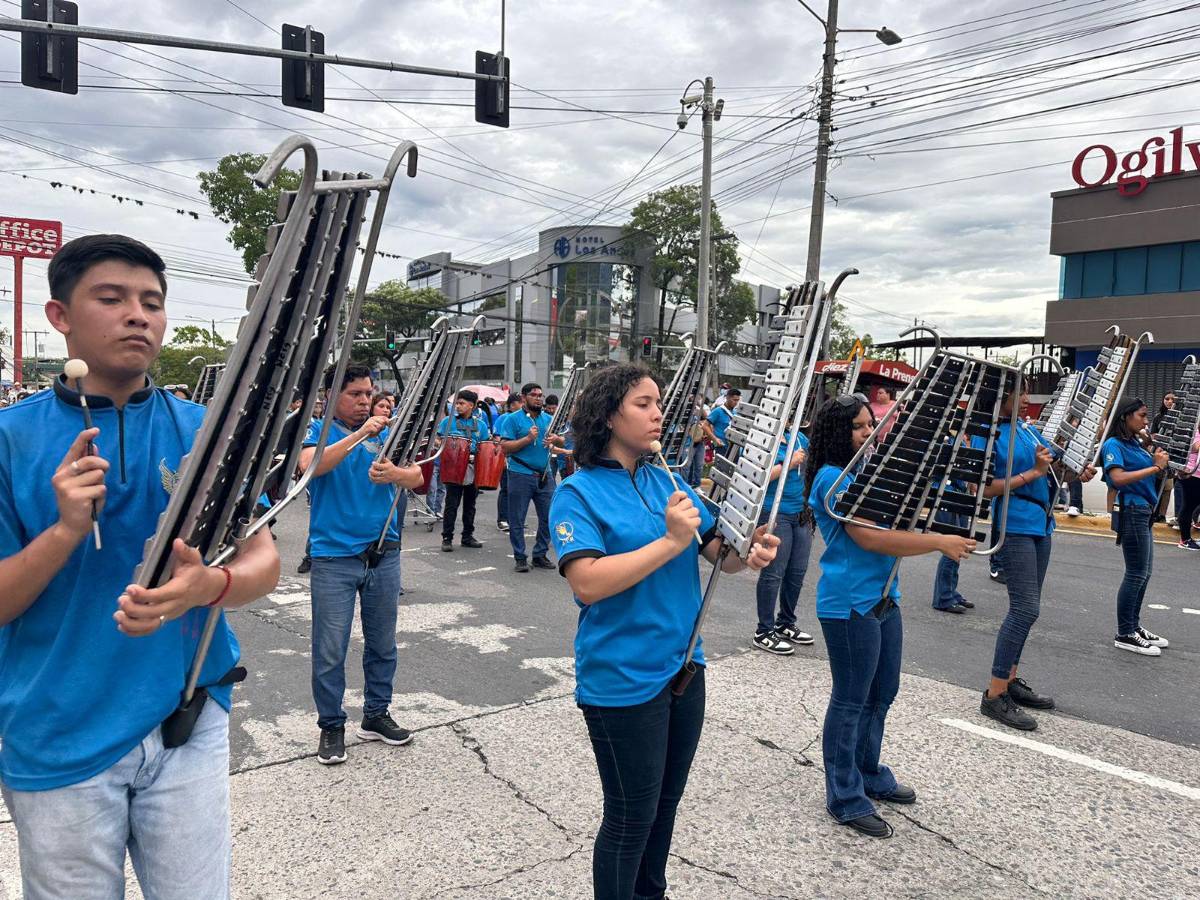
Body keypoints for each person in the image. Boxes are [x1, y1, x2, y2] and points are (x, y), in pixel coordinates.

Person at [0, 234, 281, 898]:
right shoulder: (11, 440)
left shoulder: (207, 428)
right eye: (112, 298)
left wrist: (210, 586)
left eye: (152, 302)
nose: (139, 315)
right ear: (59, 317)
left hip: (186, 717)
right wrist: (67, 530)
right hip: (55, 732)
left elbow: (264, 557)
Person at [550, 363, 777, 898]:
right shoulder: (577, 493)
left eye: (658, 403)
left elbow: (719, 552)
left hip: (684, 668)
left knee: (663, 806)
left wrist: (752, 551)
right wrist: (672, 542)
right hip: (622, 679)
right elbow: (587, 582)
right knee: (629, 817)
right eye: (643, 404)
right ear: (608, 416)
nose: (658, 414)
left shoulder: (667, 478)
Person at [807, 394, 974, 838]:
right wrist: (938, 541)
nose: (869, 435)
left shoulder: (867, 471)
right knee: (851, 698)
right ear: (838, 434)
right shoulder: (831, 478)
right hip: (849, 605)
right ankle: (843, 794)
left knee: (883, 692)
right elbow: (870, 539)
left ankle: (866, 769)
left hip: (884, 598)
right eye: (859, 428)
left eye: (870, 425)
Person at [299, 363, 424, 765]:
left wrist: (397, 474)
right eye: (355, 394)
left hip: (384, 553)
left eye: (368, 393)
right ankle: (331, 725)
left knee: (383, 644)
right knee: (330, 650)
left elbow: (418, 476)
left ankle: (376, 714)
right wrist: (360, 434)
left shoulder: (387, 434)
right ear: (331, 396)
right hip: (334, 558)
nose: (365, 401)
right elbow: (310, 466)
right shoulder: (317, 431)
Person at [976, 381, 1094, 731]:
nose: (1027, 398)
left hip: (1042, 523)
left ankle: (1010, 679)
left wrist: (1071, 472)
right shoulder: (989, 434)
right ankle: (994, 694)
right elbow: (983, 488)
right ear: (1001, 396)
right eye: (1019, 393)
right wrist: (1035, 472)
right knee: (1025, 608)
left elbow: (1050, 470)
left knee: (1028, 608)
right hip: (1014, 523)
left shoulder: (1026, 429)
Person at [1102, 399, 1171, 656]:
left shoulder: (1135, 443)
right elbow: (1118, 478)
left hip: (1144, 511)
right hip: (1131, 510)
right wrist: (1154, 466)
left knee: (1145, 572)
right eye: (1142, 416)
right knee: (1135, 573)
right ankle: (1125, 632)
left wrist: (1159, 462)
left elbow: (1154, 472)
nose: (1145, 421)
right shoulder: (1113, 444)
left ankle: (1134, 626)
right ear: (1126, 416)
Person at [753, 429, 814, 654]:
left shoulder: (798, 436)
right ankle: (764, 630)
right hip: (775, 511)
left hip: (800, 513)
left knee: (797, 571)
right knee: (773, 572)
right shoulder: (761, 437)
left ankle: (786, 622)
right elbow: (757, 476)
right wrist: (788, 463)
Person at [499, 382, 563, 572]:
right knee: (517, 518)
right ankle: (520, 557)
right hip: (520, 473)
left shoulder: (548, 419)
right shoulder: (512, 419)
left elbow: (561, 439)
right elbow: (504, 447)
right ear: (524, 397)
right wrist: (527, 439)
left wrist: (557, 440)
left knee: (549, 517)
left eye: (540, 395)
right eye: (534, 395)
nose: (539, 398)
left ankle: (539, 554)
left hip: (545, 474)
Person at [436, 388, 490, 552]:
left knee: (470, 504)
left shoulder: (480, 425)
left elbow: (485, 445)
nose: (457, 406)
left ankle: (467, 536)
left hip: (473, 467)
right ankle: (447, 537)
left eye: (461, 403)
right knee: (451, 504)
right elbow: (437, 439)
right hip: (453, 467)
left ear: (472, 406)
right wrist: (447, 447)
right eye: (456, 403)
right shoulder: (448, 421)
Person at [494, 392, 522, 532]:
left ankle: (514, 519)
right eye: (519, 402)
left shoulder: (525, 418)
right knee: (505, 489)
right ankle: (502, 519)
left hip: (520, 463)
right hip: (506, 458)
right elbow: (497, 438)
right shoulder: (504, 418)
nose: (522, 405)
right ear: (512, 405)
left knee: (516, 491)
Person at [1175, 426, 1200, 550]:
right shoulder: (1195, 432)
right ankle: (1185, 539)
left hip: (1196, 476)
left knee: (1191, 506)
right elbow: (1195, 446)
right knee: (1188, 506)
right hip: (1192, 475)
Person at [706, 388, 740, 456]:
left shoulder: (735, 412)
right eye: (734, 400)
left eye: (737, 400)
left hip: (734, 446)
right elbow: (705, 425)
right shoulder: (718, 411)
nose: (736, 402)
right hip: (722, 446)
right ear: (727, 398)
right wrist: (715, 439)